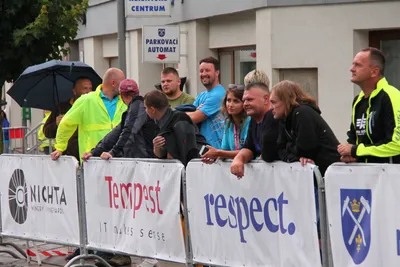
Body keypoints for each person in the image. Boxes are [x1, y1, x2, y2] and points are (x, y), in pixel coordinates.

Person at [338, 47, 400, 163]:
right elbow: (353, 138)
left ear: (374, 72)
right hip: (364, 176)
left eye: (358, 65)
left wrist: (356, 150)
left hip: (391, 177)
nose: (351, 69)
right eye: (353, 64)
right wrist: (349, 154)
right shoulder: (358, 100)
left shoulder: (392, 96)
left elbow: (397, 145)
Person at [51, 68, 127, 162]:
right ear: (113, 83)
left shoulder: (125, 102)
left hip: (119, 158)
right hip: (91, 159)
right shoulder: (86, 101)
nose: (124, 86)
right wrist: (60, 148)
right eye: (122, 83)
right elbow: (67, 124)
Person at [270, 80, 340, 175]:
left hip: (329, 172)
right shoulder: (284, 118)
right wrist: (294, 156)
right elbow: (280, 149)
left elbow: (305, 149)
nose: (271, 107)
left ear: (286, 100)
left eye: (273, 102)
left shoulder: (302, 113)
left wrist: (289, 148)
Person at [83, 79, 158, 161]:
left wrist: (112, 152)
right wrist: (94, 152)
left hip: (145, 163)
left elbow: (127, 131)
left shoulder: (137, 107)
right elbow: (116, 134)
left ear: (121, 96)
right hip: (143, 163)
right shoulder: (135, 110)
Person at [230, 82, 279, 178]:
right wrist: (239, 159)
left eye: (249, 100)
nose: (245, 104)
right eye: (244, 100)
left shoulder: (272, 117)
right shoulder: (253, 120)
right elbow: (249, 148)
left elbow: (269, 155)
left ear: (266, 99)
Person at [144, 90, 205, 166]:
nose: (145, 111)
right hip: (179, 169)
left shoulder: (179, 119)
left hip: (196, 165)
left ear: (153, 109)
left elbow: (186, 149)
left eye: (146, 108)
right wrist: (157, 147)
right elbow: (161, 154)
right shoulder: (158, 124)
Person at [201, 84, 251, 163]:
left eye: (236, 101)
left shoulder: (250, 121)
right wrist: (214, 157)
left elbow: (248, 153)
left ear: (244, 103)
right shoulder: (229, 123)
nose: (230, 105)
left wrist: (218, 153)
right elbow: (225, 150)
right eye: (228, 100)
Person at [44, 78, 92, 159]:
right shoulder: (61, 108)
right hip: (67, 156)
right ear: (74, 91)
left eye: (90, 88)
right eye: (85, 88)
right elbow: (46, 131)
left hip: (87, 155)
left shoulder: (93, 107)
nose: (88, 92)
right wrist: (56, 124)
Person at [187, 57, 225, 148]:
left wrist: (195, 112)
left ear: (217, 72)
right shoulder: (201, 96)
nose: (203, 74)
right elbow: (190, 114)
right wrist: (194, 112)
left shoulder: (219, 94)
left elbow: (192, 118)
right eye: (201, 71)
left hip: (217, 150)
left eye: (207, 70)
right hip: (203, 149)